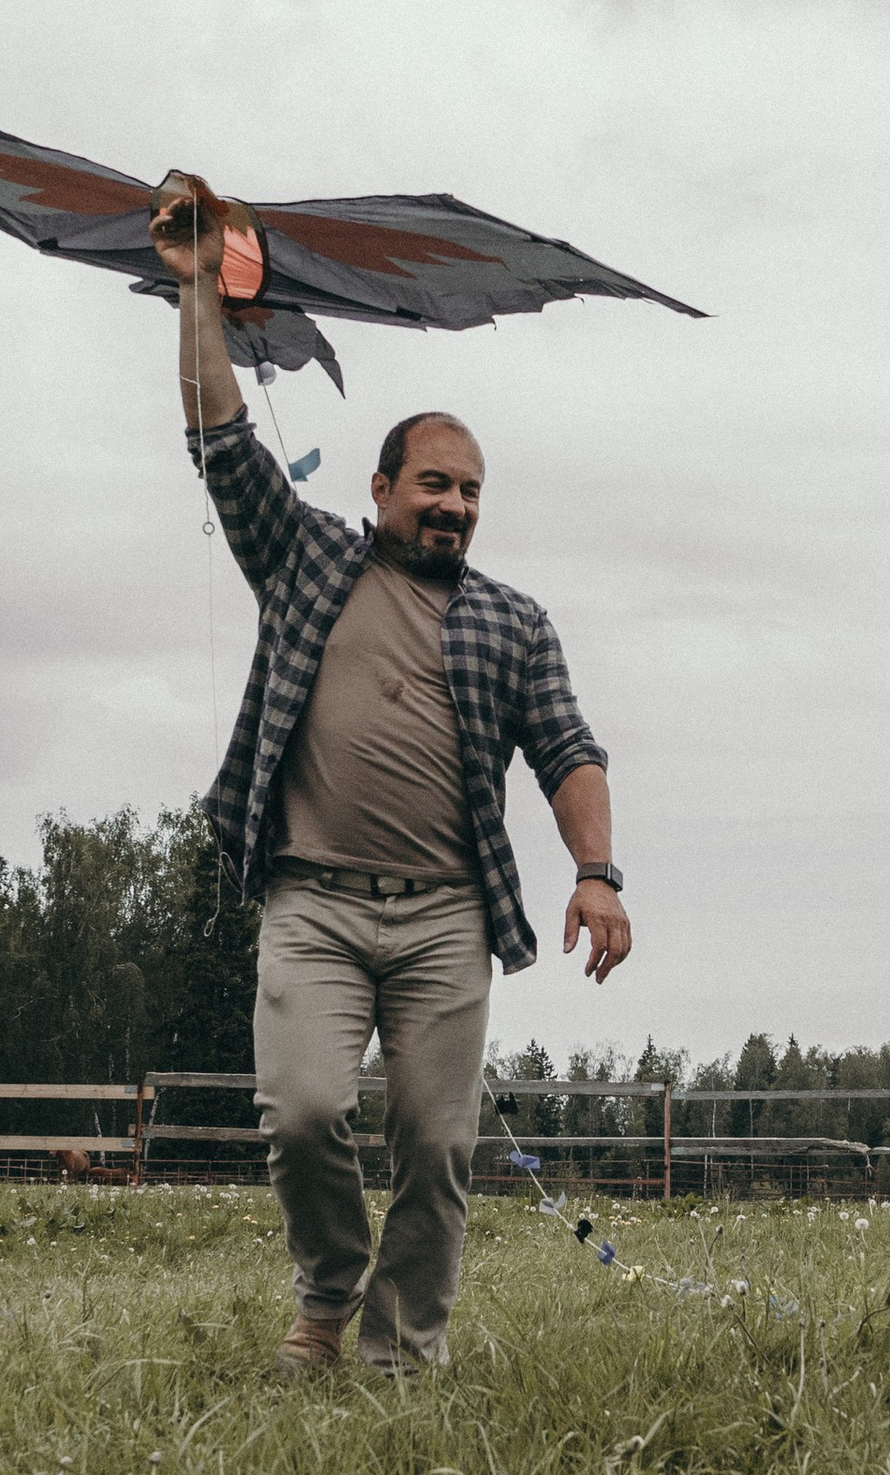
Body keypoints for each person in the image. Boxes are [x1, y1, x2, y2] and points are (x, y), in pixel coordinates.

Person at [153, 175, 630, 1375]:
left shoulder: (512, 624)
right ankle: (326, 1292)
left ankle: (398, 1354)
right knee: (305, 1114)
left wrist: (598, 872)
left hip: (443, 919)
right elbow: (219, 437)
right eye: (434, 485)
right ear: (380, 491)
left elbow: (570, 749)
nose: (455, 507)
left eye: (470, 492)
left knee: (437, 1145)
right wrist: (201, 292)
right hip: (310, 902)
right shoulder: (307, 561)